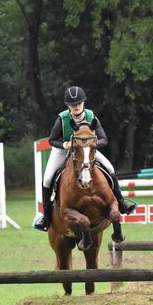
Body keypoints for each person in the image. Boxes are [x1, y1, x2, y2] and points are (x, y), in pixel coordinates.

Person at [33, 86, 137, 232]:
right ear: (68, 106)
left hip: (87, 151)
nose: (76, 107)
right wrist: (65, 145)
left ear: (83, 103)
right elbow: (52, 140)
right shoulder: (62, 118)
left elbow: (104, 139)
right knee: (47, 179)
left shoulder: (91, 116)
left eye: (79, 104)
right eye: (73, 105)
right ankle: (46, 216)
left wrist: (92, 144)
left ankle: (121, 203)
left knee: (110, 168)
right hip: (64, 151)